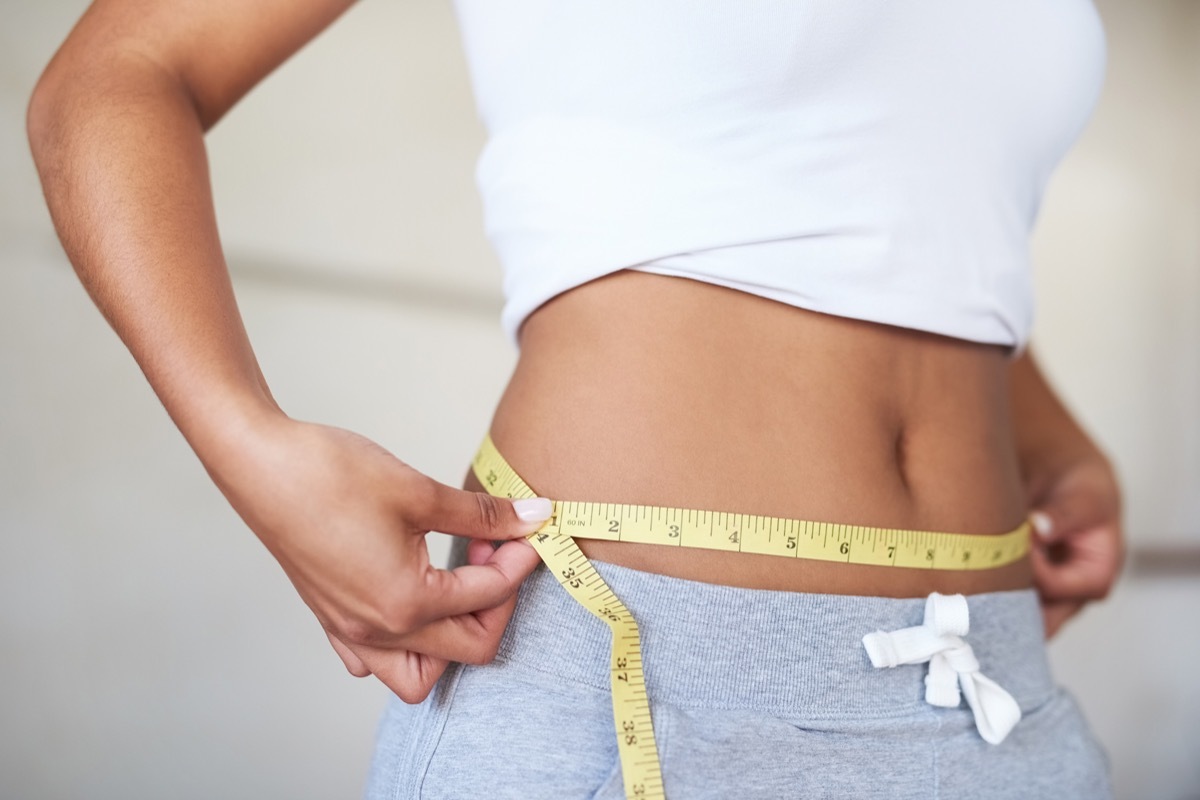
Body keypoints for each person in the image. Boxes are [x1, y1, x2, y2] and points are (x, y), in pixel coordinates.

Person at [28, 1, 1124, 798]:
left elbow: (890, 200)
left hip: (994, 683)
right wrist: (250, 448)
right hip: (638, 666)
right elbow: (119, 72)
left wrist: (1046, 430)